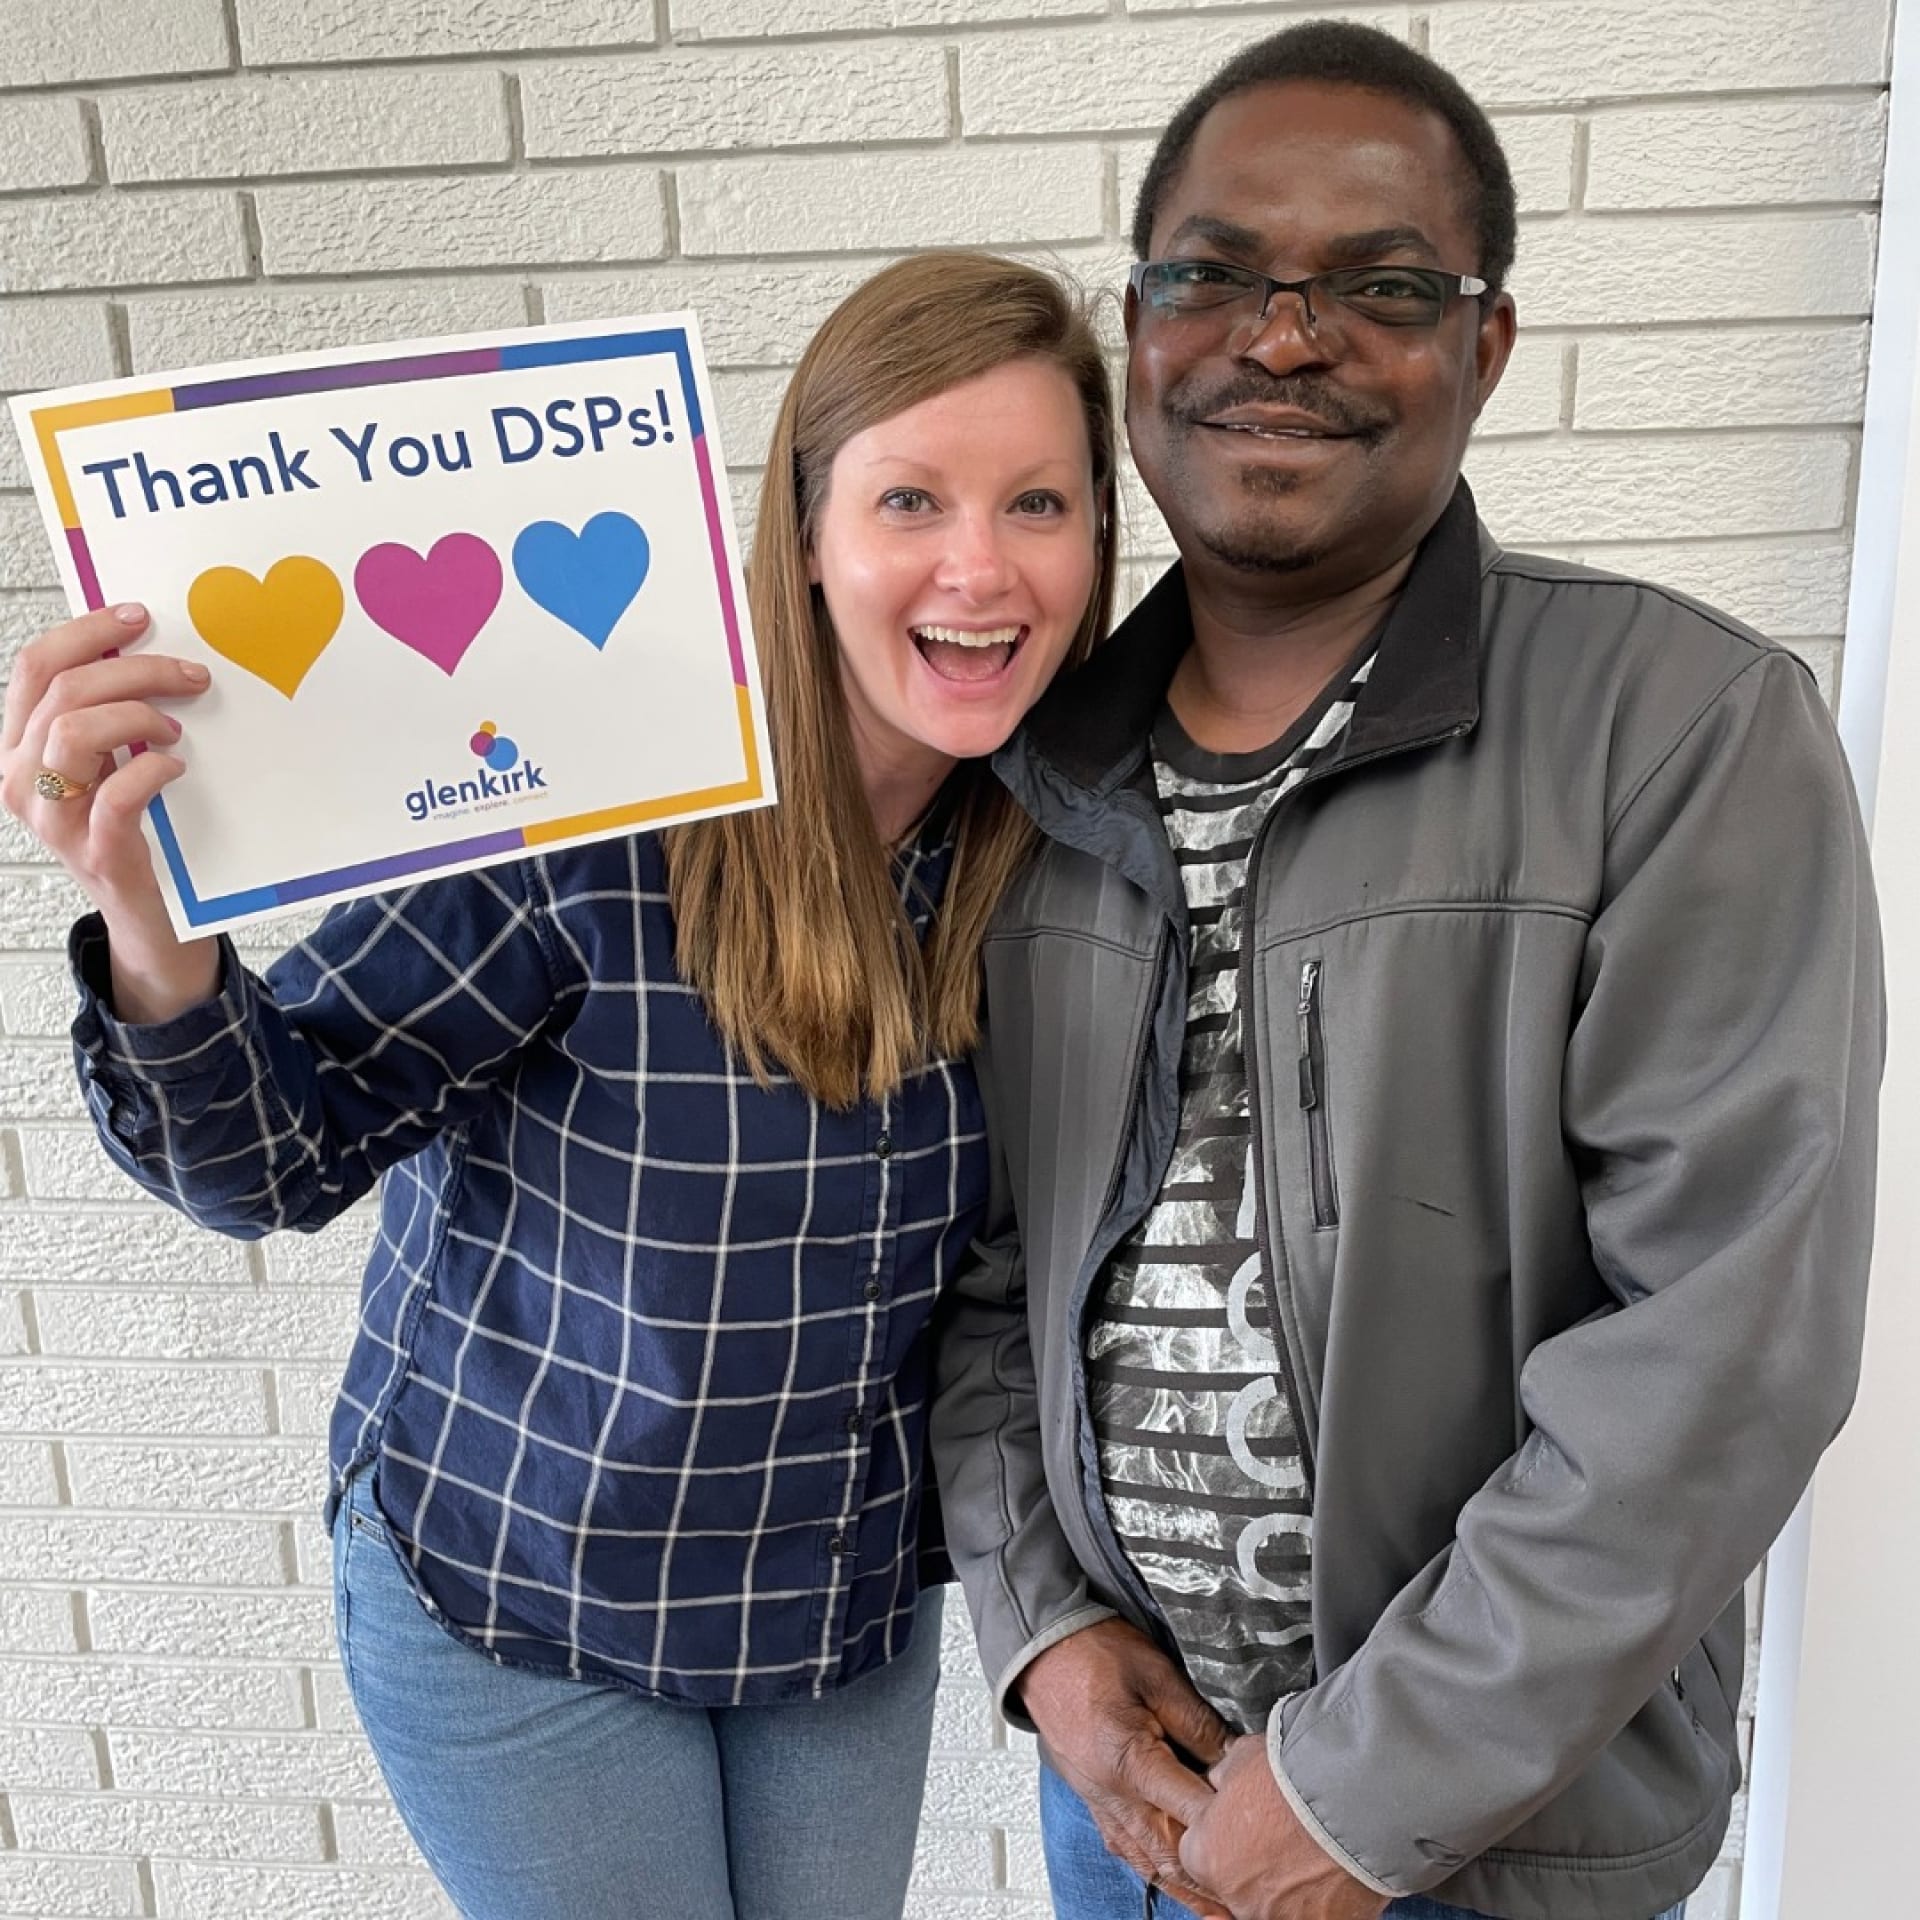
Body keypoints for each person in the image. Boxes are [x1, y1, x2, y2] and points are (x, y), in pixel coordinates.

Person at [0, 251, 1116, 1920]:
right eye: (910, 499)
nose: (980, 564)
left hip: (832, 1616)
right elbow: (273, 1158)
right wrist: (151, 925)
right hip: (521, 1601)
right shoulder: (604, 805)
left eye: (1039, 499)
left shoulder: (1076, 863)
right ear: (806, 541)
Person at [930, 24, 1882, 1920]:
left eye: (1380, 286)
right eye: (1214, 274)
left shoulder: (1676, 733)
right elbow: (984, 1279)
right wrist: (1046, 1640)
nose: (1283, 338)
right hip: (1132, 1810)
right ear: (1140, 335)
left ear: (1487, 345)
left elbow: (1721, 1353)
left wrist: (1372, 1790)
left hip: (1496, 1845)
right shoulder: (1033, 780)